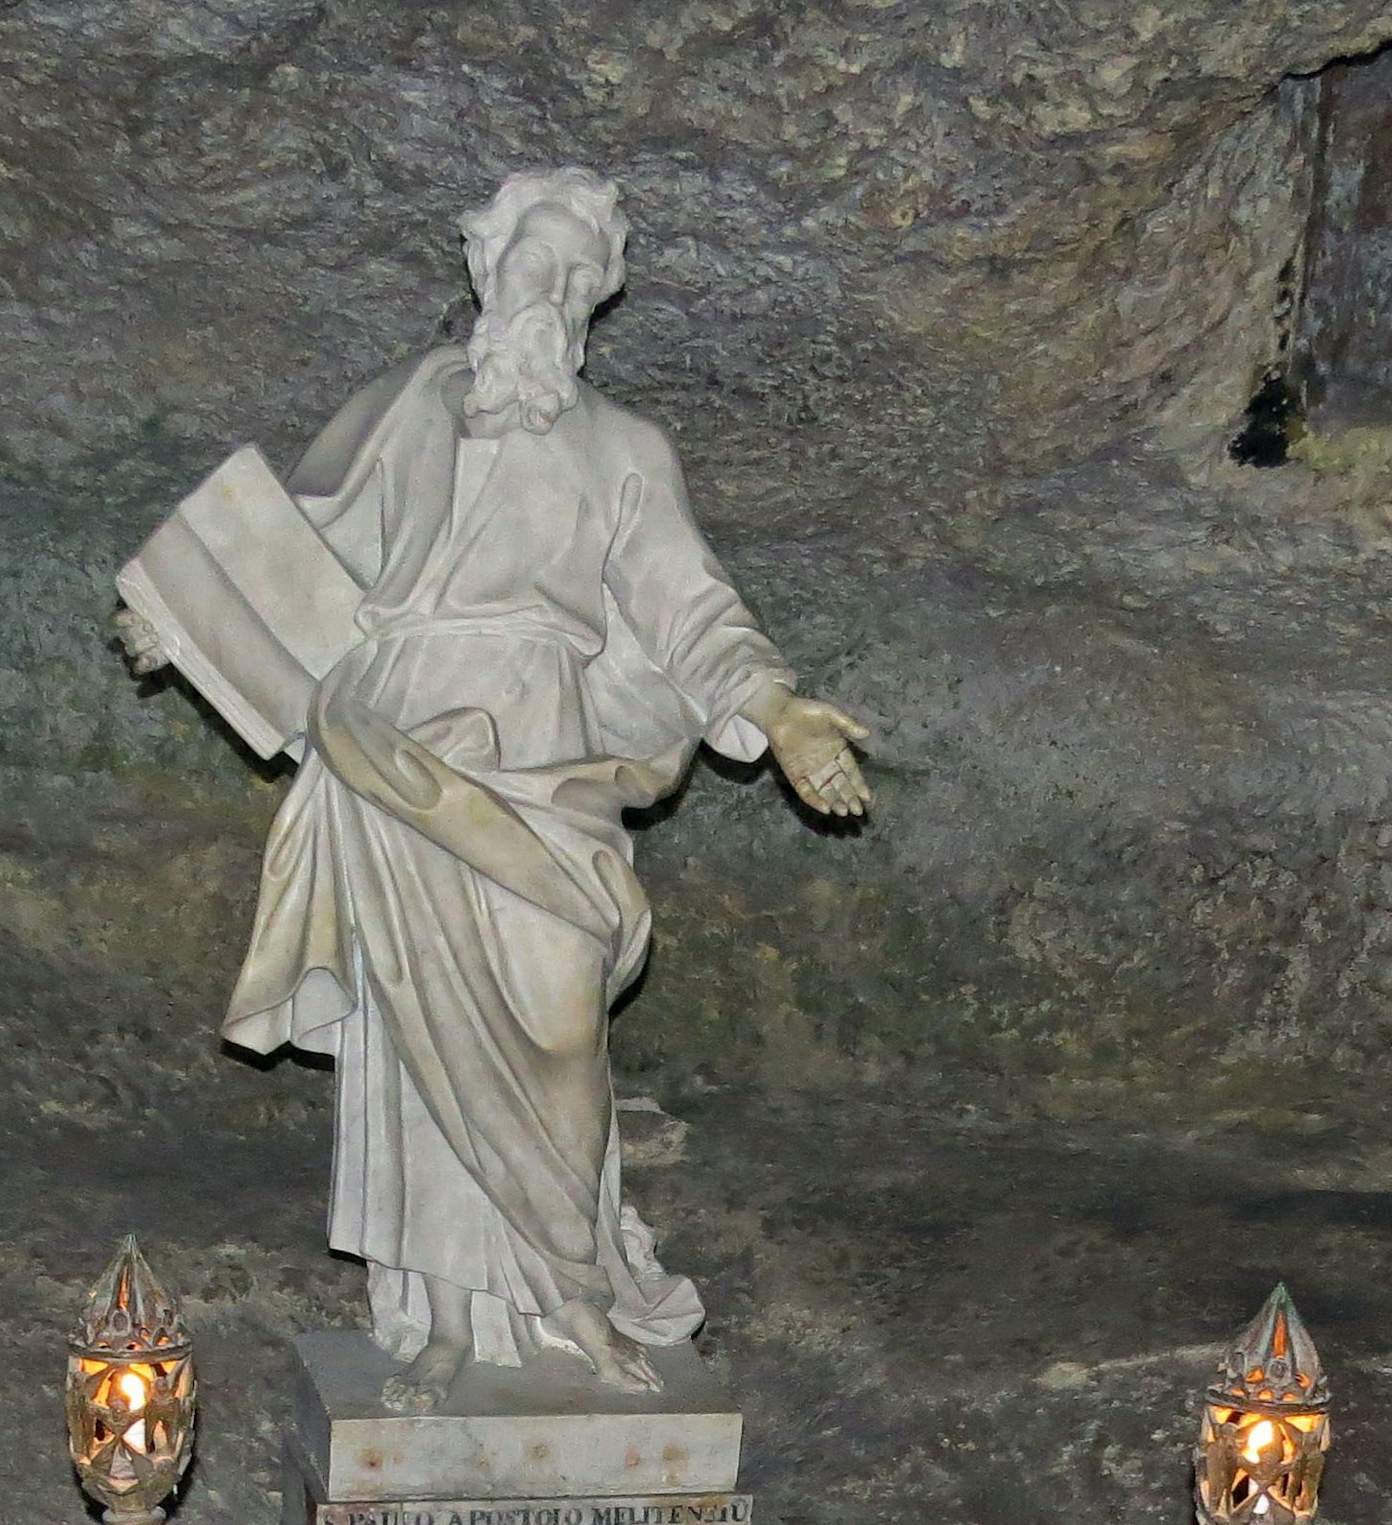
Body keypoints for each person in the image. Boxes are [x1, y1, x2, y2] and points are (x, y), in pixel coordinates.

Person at [123, 169, 871, 1406]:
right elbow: (290, 551)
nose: (560, 288)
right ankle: (456, 1320)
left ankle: (573, 1282)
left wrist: (779, 711)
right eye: (543, 257)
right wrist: (182, 625)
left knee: (562, 1018)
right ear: (486, 263)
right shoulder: (399, 409)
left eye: (586, 274)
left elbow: (691, 608)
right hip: (396, 734)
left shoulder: (626, 450)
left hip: (544, 750)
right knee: (420, 1043)